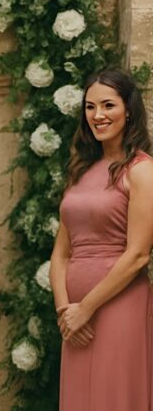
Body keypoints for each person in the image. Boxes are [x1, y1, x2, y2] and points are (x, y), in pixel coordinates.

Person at [51, 69, 153, 410]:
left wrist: (87, 308)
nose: (98, 115)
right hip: (75, 317)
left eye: (108, 105)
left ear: (129, 110)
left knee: (114, 397)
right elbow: (61, 253)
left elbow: (139, 254)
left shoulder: (142, 170)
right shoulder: (80, 170)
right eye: (90, 107)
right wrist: (65, 310)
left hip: (119, 307)